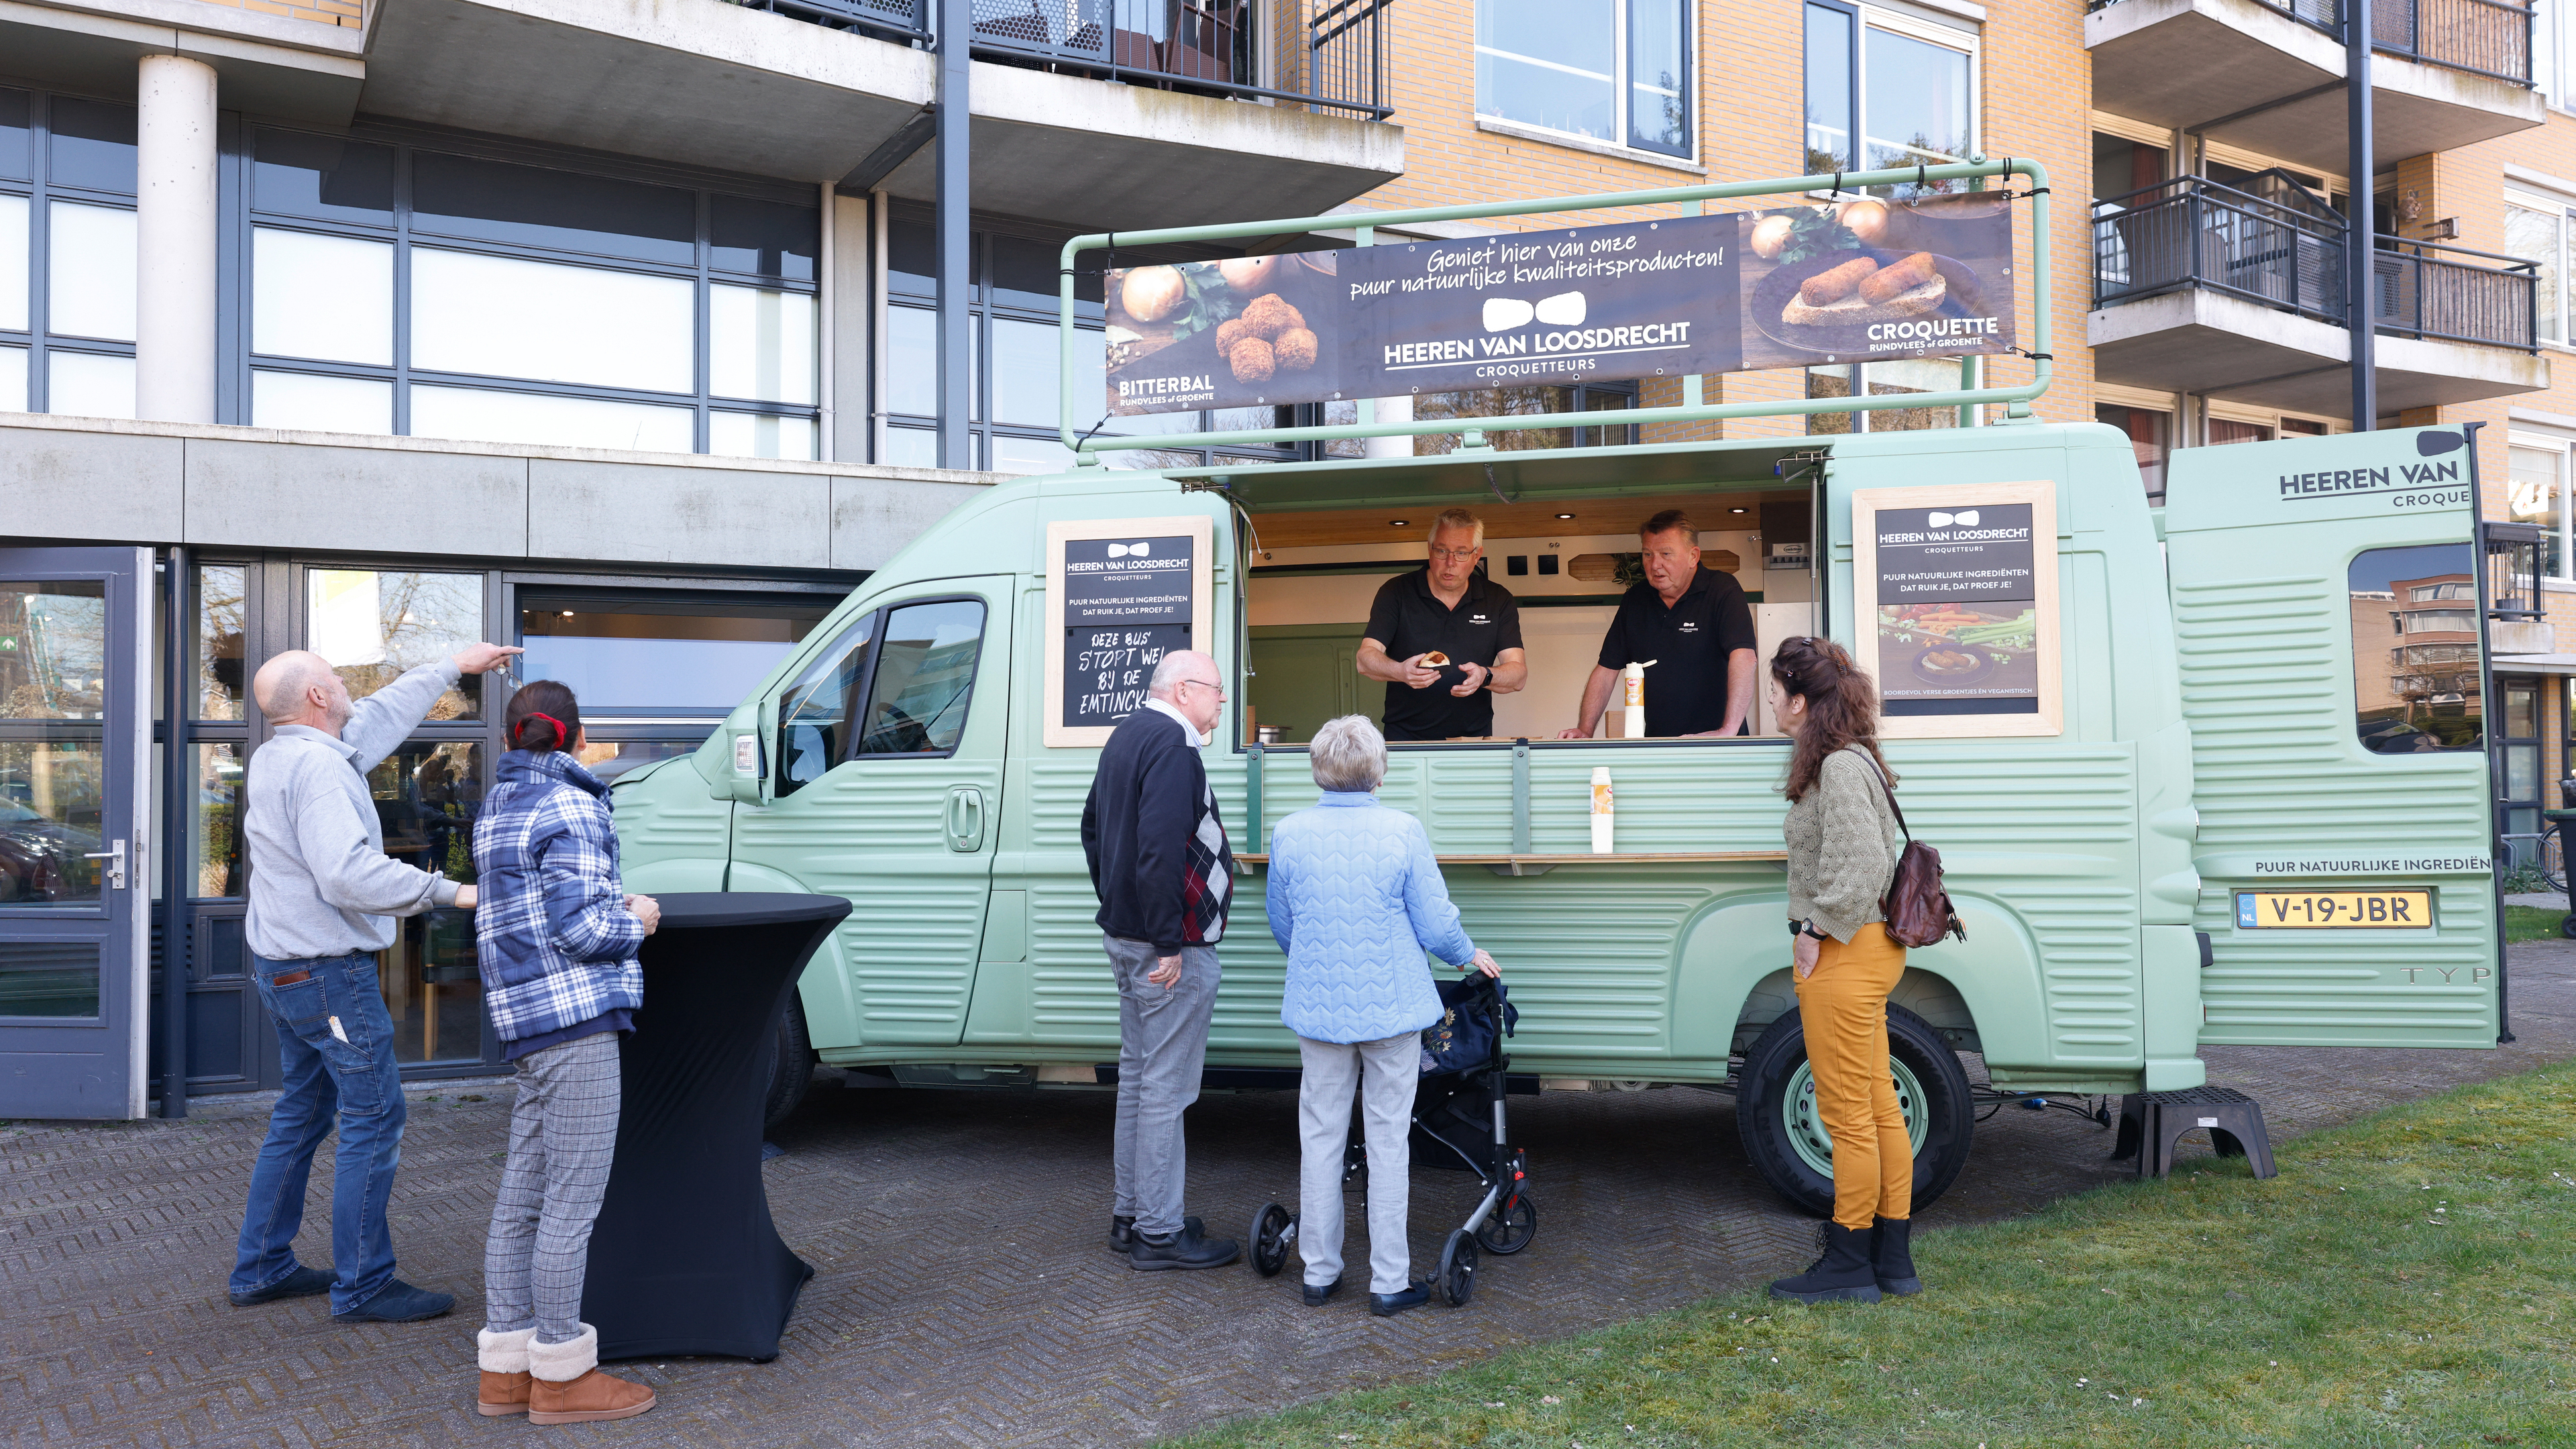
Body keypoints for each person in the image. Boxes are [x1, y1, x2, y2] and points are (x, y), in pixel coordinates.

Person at [229, 641, 517, 1324]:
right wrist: (459, 894)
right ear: (319, 699)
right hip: (328, 977)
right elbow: (347, 875)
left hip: (285, 970)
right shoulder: (319, 772)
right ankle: (363, 1285)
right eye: (332, 674)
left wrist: (451, 665)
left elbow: (380, 717)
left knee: (302, 1113)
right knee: (374, 1116)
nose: (343, 678)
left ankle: (262, 1265)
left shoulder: (286, 754)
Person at [468, 680, 661, 1424]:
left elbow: (533, 915)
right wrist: (637, 919)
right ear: (578, 737)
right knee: (570, 1207)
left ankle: (507, 1375)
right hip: (577, 1022)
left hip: (525, 1024)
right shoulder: (574, 805)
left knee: (520, 1201)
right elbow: (581, 930)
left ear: (513, 739)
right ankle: (562, 1376)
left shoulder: (497, 807)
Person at [1265, 715, 1499, 1317]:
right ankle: (1388, 1280)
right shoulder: (1401, 829)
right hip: (1392, 1010)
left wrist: (1320, 965)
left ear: (1319, 767)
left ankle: (1319, 1273)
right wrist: (1468, 954)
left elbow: (1283, 924)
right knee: (1388, 1137)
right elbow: (1435, 919)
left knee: (1319, 1135)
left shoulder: (1289, 833)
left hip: (1319, 1009)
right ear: (1378, 769)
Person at [1764, 637, 1919, 1305]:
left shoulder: (1840, 767)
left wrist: (1813, 932)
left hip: (1846, 952)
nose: (1769, 702)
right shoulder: (1853, 760)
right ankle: (1892, 1258)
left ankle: (1849, 1259)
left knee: (1849, 1114)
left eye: (1775, 691)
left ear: (1800, 701)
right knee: (1880, 1106)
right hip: (1870, 949)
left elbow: (1860, 868)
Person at [1079, 649, 1241, 1271]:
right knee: (1165, 1091)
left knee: (1140, 1082)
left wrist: (1120, 904)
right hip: (1167, 951)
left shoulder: (1126, 734)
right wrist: (1168, 940)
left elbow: (1091, 827)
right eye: (1217, 690)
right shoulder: (1174, 745)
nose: (1222, 702)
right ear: (1182, 690)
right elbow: (1159, 848)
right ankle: (1159, 1234)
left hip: (1128, 937)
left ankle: (1133, 1216)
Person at [1558, 510, 1758, 740]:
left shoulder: (1722, 590)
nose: (1655, 565)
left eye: (1666, 554)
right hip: (1657, 744)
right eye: (1648, 554)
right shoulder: (1636, 599)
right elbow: (1606, 671)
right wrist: (1585, 730)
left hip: (1715, 744)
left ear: (1693, 556)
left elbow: (1744, 658)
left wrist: (1728, 732)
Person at [1357, 508, 1527, 741]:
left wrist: (1484, 676)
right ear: (1429, 550)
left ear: (1477, 555)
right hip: (1404, 740)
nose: (1450, 563)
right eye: (1442, 551)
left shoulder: (1497, 599)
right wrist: (1400, 671)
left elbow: (1518, 675)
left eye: (1461, 553)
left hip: (1473, 741)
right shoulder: (1397, 592)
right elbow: (1365, 659)